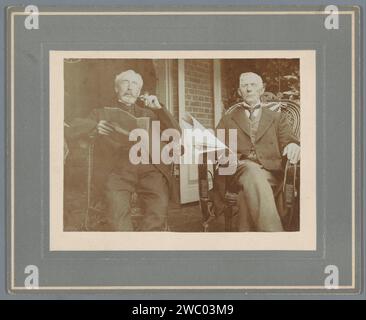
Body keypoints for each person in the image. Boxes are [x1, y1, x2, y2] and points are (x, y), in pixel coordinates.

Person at [66, 69, 180, 231]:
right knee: (117, 215)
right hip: (117, 170)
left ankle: (147, 244)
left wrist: (160, 109)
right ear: (116, 88)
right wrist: (94, 127)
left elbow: (176, 132)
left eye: (135, 84)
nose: (130, 87)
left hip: (149, 170)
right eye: (125, 82)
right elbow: (73, 128)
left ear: (139, 92)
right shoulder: (101, 112)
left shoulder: (150, 114)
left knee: (158, 208)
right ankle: (126, 246)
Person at [214, 72, 300, 231]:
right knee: (251, 169)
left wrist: (294, 144)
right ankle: (274, 236)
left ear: (261, 90)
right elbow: (217, 147)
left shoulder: (277, 117)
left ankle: (247, 242)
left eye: (253, 85)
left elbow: (288, 139)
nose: (249, 89)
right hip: (238, 168)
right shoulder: (228, 118)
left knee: (246, 195)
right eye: (244, 85)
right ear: (239, 92)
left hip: (271, 172)